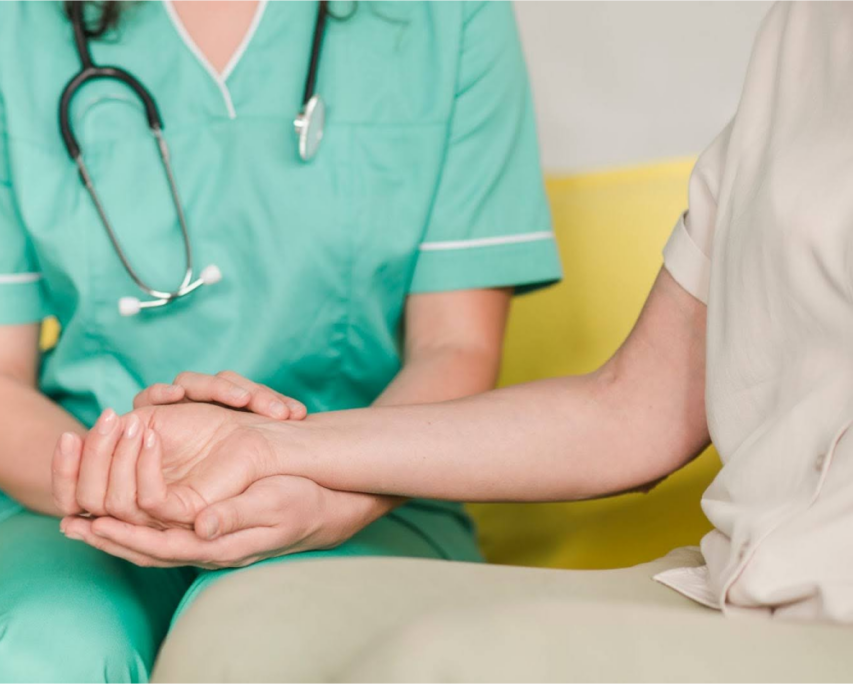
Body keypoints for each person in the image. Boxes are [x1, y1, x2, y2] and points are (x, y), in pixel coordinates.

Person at [57, 1, 853, 681]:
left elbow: (457, 345)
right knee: (240, 635)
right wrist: (268, 448)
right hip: (738, 584)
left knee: (447, 666)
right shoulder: (805, 32)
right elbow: (634, 411)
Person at [0, 0, 560, 679]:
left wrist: (334, 490)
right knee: (35, 658)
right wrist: (120, 485)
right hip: (68, 499)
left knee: (270, 647)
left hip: (369, 488)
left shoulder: (449, 16)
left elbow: (455, 348)